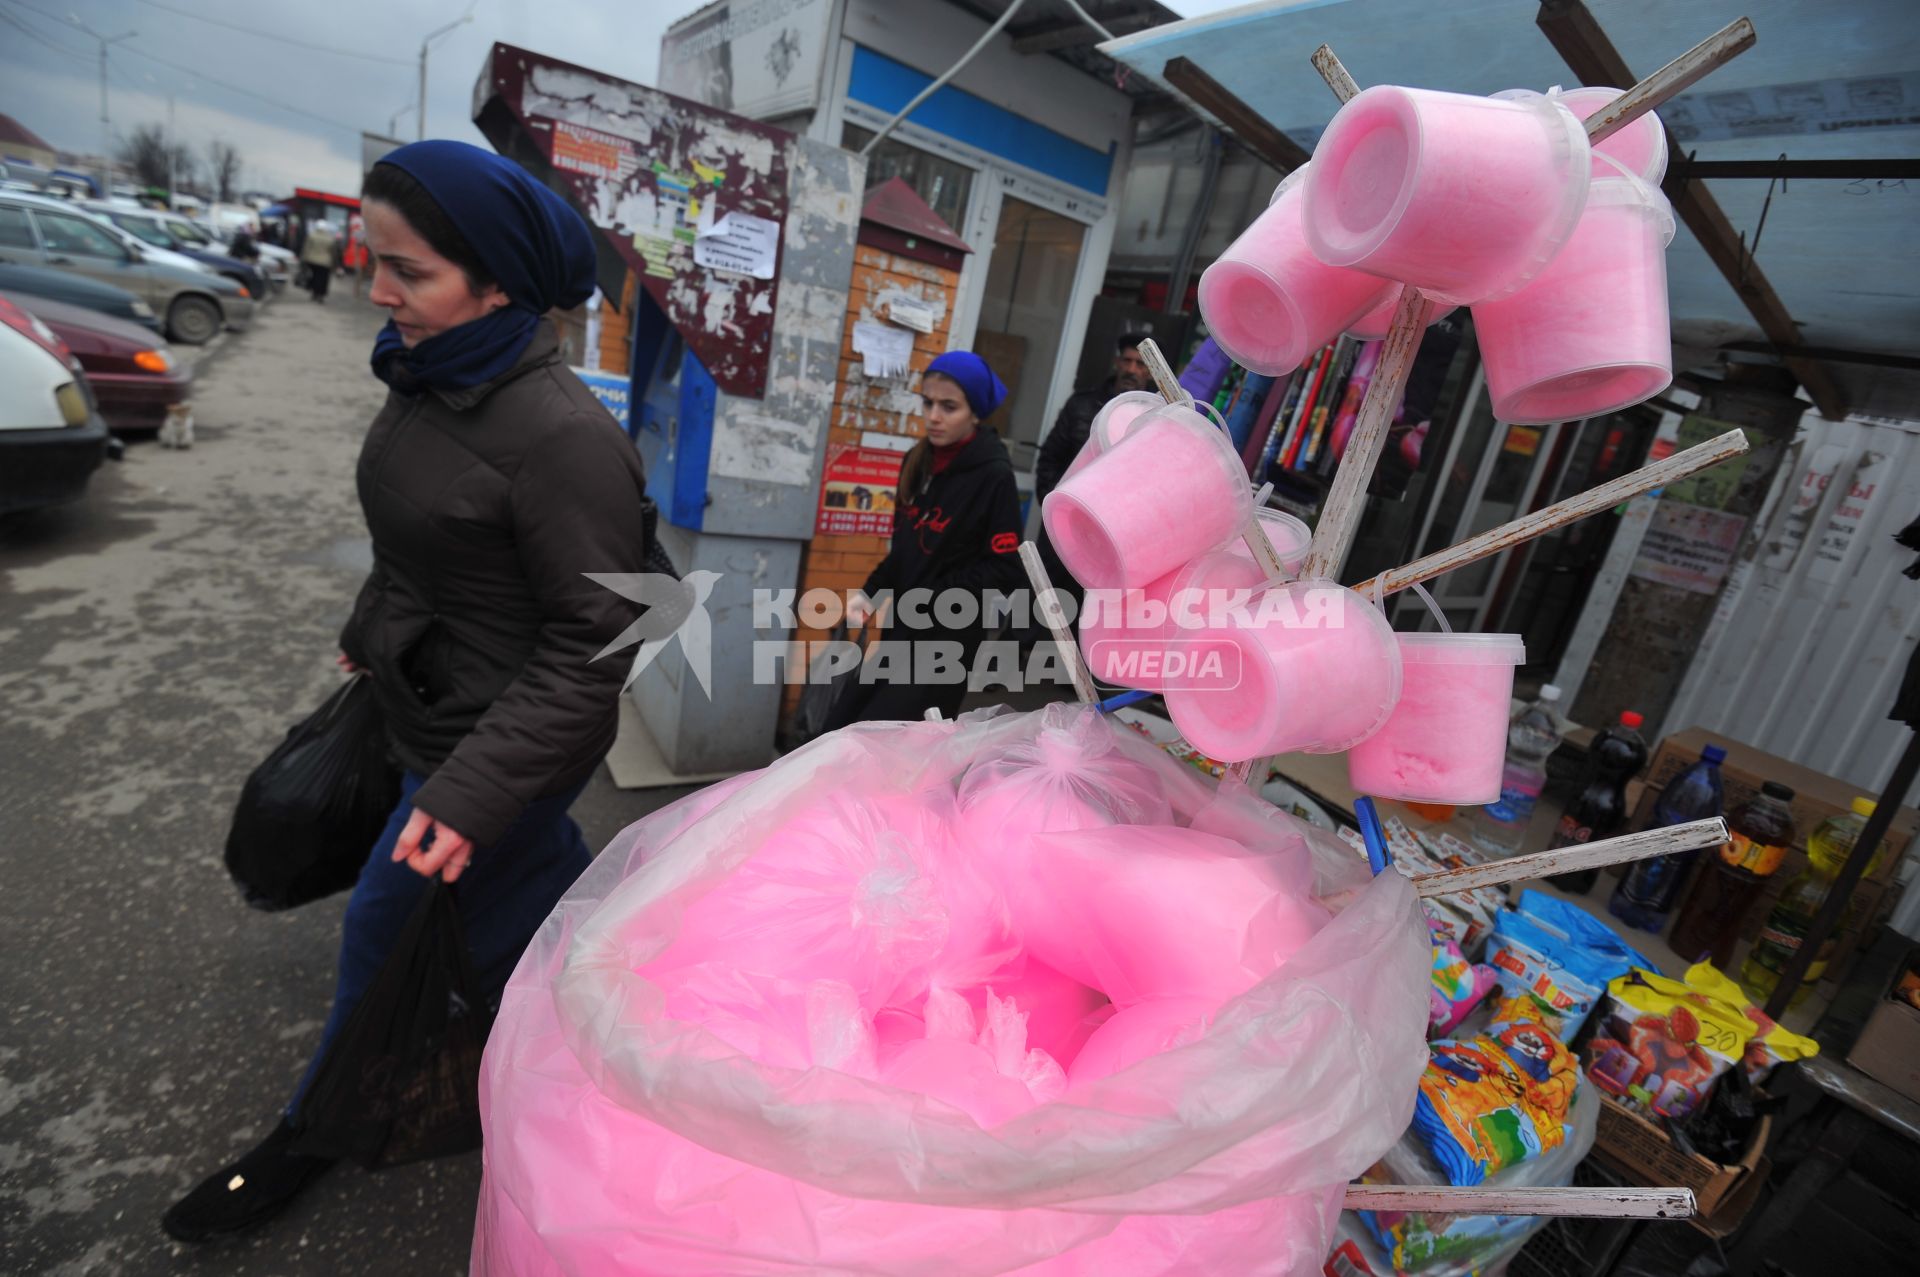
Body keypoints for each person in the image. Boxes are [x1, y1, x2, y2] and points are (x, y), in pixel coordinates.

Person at [162, 139, 653, 1242]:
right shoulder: (429, 373)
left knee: (386, 924)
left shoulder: (567, 440)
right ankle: (613, 973)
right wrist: (367, 630)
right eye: (375, 260)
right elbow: (421, 548)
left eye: (409, 270)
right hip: (419, 697)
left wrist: (472, 793)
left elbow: (597, 644)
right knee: (538, 898)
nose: (376, 290)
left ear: (497, 282)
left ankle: (314, 1128)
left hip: (488, 742)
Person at [824, 351, 1025, 727]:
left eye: (949, 407)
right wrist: (870, 592)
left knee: (891, 744)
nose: (933, 416)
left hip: (946, 642)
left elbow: (1005, 567)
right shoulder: (917, 463)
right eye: (928, 403)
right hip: (901, 630)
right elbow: (904, 551)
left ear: (975, 413)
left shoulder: (993, 475)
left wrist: (931, 597)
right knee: (841, 728)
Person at [1027, 332, 1150, 633]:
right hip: (1065, 525)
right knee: (1039, 598)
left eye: (1140, 364)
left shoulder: (1153, 418)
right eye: (1127, 361)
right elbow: (1049, 459)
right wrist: (1055, 506)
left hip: (1111, 535)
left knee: (1088, 610)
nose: (1132, 370)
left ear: (1149, 371)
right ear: (1117, 362)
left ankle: (1070, 675)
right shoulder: (1082, 405)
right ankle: (1006, 668)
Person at [300, 218, 339, 302]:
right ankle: (321, 295)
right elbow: (333, 252)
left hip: (312, 260)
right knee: (323, 279)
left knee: (314, 276)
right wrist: (334, 263)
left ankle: (314, 293)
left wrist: (304, 259)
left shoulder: (312, 235)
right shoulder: (330, 238)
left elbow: (306, 248)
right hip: (325, 262)